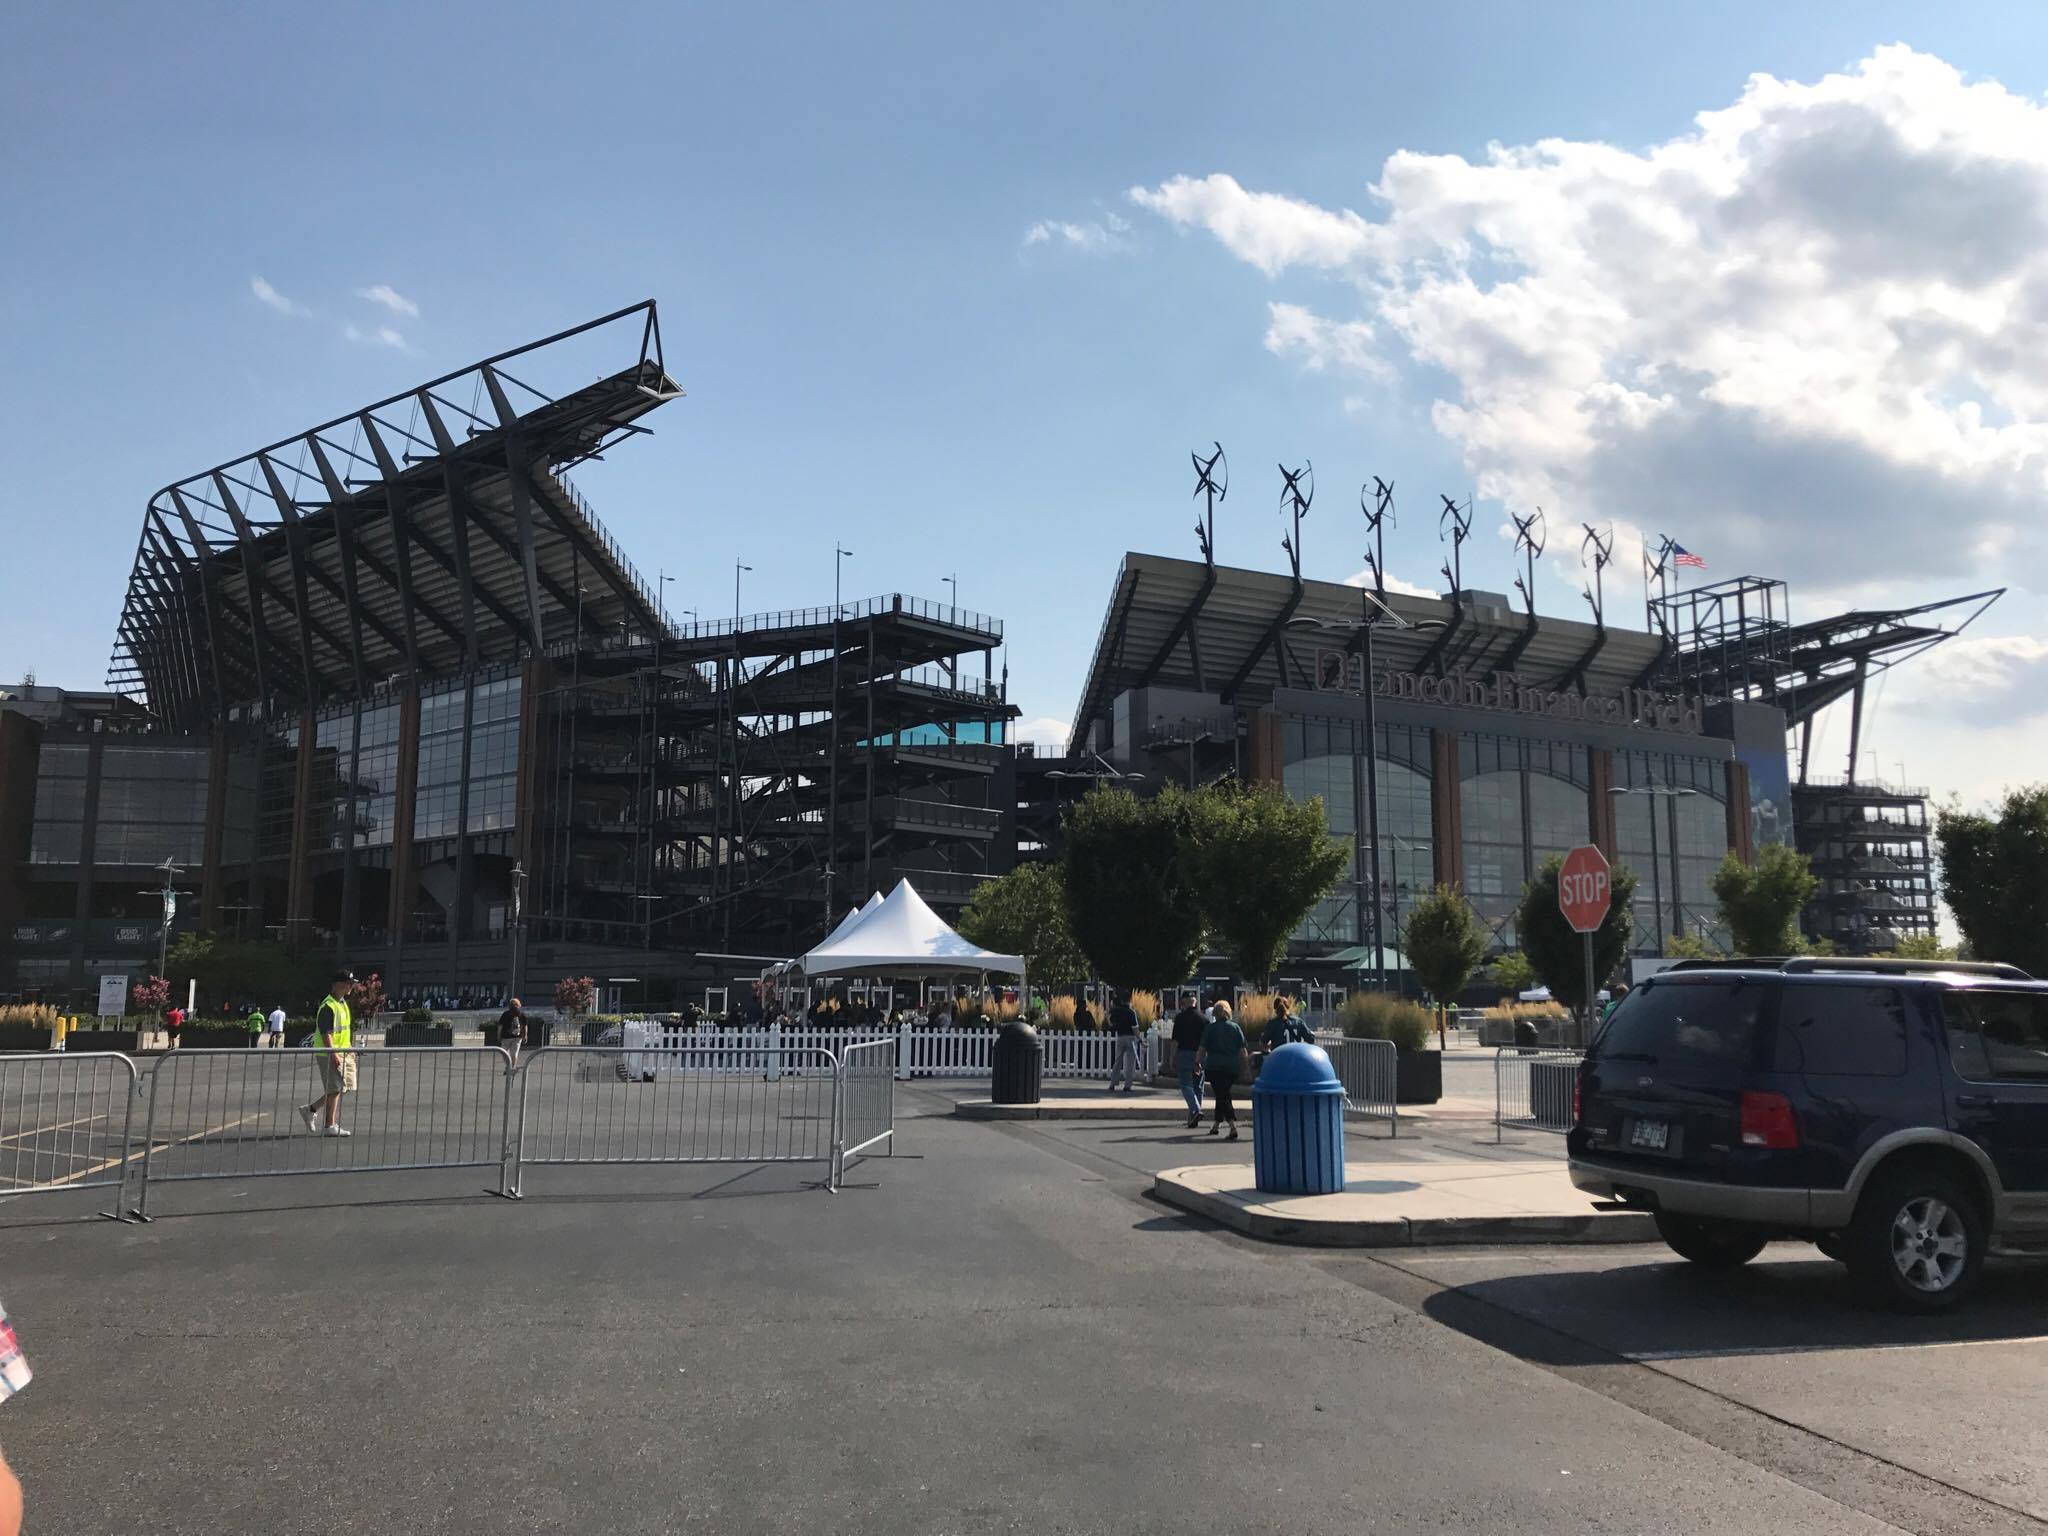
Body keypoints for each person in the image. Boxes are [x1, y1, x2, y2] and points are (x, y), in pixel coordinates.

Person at [298, 970, 356, 1137]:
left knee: (343, 1087)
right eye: (348, 983)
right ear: (338, 984)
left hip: (342, 1052)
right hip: (329, 1052)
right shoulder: (328, 1005)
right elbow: (326, 1033)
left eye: (351, 984)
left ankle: (311, 1109)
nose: (350, 987)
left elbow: (343, 1031)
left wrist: (349, 1049)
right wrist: (333, 1053)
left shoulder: (342, 1003)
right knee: (335, 1088)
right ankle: (329, 1125)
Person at [1198, 999, 1246, 1141]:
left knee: (1222, 1095)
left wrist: (1197, 1062)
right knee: (1223, 1094)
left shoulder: (1210, 1029)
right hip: (1231, 1067)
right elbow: (1242, 1050)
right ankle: (1216, 1124)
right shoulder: (1235, 1027)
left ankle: (1232, 1126)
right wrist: (1245, 1067)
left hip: (1214, 1066)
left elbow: (1202, 1048)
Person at [1171, 994, 1208, 1127]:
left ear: (1183, 1003)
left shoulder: (1180, 1018)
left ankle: (1195, 1110)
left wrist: (1172, 1057)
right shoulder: (1204, 1019)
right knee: (1198, 1086)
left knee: (1185, 1084)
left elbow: (1175, 1041)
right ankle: (1193, 1117)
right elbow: (1206, 1040)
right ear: (1195, 1002)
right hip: (1200, 1054)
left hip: (1184, 1053)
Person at [1106, 991, 1141, 1091]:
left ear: (1121, 1000)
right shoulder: (1131, 1012)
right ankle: (1127, 1085)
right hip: (1130, 1038)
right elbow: (1135, 1028)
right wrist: (1140, 1038)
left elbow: (1111, 1023)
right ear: (1130, 1000)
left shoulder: (1117, 1011)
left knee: (1117, 1061)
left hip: (1120, 1036)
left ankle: (1113, 1083)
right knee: (1130, 1062)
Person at [496, 997, 527, 1063]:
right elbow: (524, 1026)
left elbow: (500, 1026)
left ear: (509, 1005)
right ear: (519, 1005)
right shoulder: (521, 1014)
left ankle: (508, 1066)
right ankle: (512, 1067)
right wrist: (525, 1036)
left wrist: (498, 1035)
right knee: (514, 1054)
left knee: (504, 1053)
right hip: (517, 1037)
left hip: (506, 1037)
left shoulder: (505, 1014)